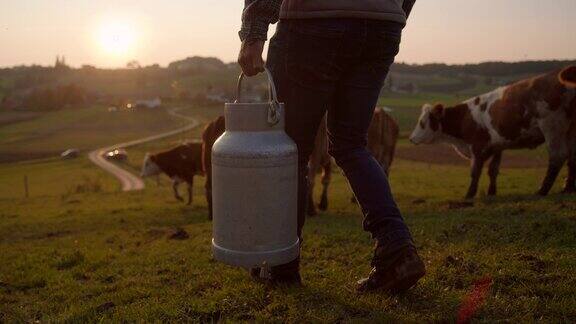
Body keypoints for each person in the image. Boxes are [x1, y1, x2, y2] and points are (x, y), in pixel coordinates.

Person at [237, 0, 425, 293]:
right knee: (351, 144)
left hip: (313, 21)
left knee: (291, 150)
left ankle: (281, 263)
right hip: (381, 25)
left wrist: (254, 32)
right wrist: (392, 12)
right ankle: (397, 249)